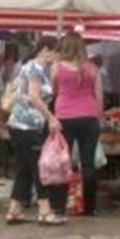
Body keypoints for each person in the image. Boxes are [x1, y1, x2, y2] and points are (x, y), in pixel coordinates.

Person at [4, 35, 65, 225]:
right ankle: (45, 210)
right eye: (57, 53)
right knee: (39, 168)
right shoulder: (36, 68)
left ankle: (14, 209)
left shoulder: (35, 68)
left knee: (24, 167)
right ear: (46, 49)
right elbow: (34, 97)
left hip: (20, 125)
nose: (58, 57)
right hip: (27, 126)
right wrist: (51, 117)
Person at [51, 31, 103, 217]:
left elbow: (54, 91)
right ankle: (90, 207)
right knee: (87, 163)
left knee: (63, 162)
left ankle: (60, 205)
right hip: (89, 117)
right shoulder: (92, 68)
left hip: (65, 116)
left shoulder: (57, 67)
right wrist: (99, 117)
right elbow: (99, 97)